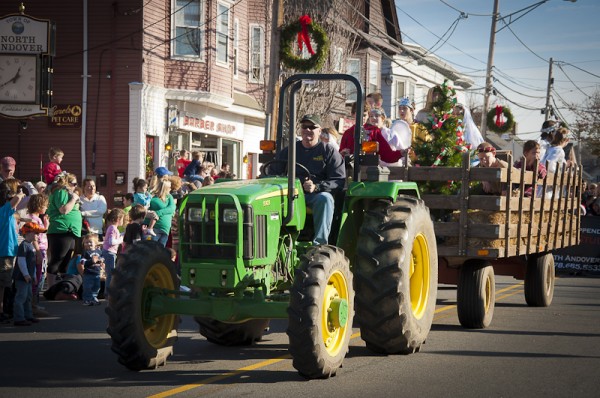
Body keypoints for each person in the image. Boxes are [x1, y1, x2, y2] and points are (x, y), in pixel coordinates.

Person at [276, 114, 345, 245]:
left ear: (319, 131)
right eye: (304, 127)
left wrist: (317, 187)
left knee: (325, 198)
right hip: (291, 194)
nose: (308, 130)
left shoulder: (328, 151)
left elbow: (338, 180)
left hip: (314, 196)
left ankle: (319, 244)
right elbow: (273, 172)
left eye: (312, 127)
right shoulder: (289, 151)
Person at [46, 172, 82, 289]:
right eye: (74, 184)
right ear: (67, 183)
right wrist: (74, 199)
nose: (75, 186)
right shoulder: (61, 191)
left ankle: (61, 288)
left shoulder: (67, 193)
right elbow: (64, 210)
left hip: (70, 231)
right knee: (57, 259)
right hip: (60, 230)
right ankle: (51, 289)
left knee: (65, 262)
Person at [0, 180, 26, 323]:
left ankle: (3, 310)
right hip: (5, 252)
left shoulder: (6, 211)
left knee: (3, 284)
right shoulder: (5, 210)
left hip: (6, 250)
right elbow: (17, 199)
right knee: (4, 284)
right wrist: (20, 192)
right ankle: (3, 310)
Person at [339, 108, 403, 165]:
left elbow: (387, 155)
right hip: (351, 171)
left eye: (364, 115)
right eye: (358, 114)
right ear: (353, 115)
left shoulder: (375, 132)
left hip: (372, 172)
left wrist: (401, 153)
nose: (362, 118)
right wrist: (343, 153)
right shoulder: (347, 133)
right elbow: (340, 155)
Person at [13, 222, 46, 325]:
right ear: (27, 233)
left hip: (28, 276)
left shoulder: (30, 246)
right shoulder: (23, 245)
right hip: (22, 277)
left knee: (28, 297)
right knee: (21, 297)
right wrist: (26, 274)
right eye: (35, 233)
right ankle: (19, 318)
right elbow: (21, 261)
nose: (37, 235)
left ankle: (28, 315)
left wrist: (34, 275)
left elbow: (32, 263)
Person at [26, 194, 50, 316]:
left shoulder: (37, 218)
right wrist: (38, 252)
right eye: (45, 205)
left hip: (41, 250)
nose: (46, 207)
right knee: (37, 277)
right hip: (38, 250)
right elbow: (34, 237)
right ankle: (32, 305)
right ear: (39, 205)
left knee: (40, 277)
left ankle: (34, 304)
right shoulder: (33, 219)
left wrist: (46, 226)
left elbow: (41, 233)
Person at [101, 208, 124, 298]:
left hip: (110, 252)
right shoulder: (113, 228)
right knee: (110, 273)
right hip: (110, 252)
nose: (123, 221)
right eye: (122, 219)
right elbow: (111, 242)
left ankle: (108, 291)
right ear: (118, 219)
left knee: (110, 272)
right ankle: (108, 292)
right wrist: (121, 240)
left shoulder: (113, 228)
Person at [149, 179, 176, 247]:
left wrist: (158, 213)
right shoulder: (153, 198)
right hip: (155, 228)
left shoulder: (169, 197)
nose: (170, 189)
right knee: (153, 249)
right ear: (165, 188)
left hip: (165, 229)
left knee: (161, 251)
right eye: (169, 187)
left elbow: (172, 208)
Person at [80, 233, 104, 306]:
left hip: (97, 273)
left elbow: (102, 258)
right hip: (88, 273)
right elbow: (82, 261)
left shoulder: (99, 252)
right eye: (86, 242)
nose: (88, 244)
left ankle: (93, 298)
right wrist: (91, 261)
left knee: (96, 287)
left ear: (96, 243)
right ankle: (87, 300)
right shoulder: (85, 253)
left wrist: (102, 262)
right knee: (87, 287)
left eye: (90, 242)